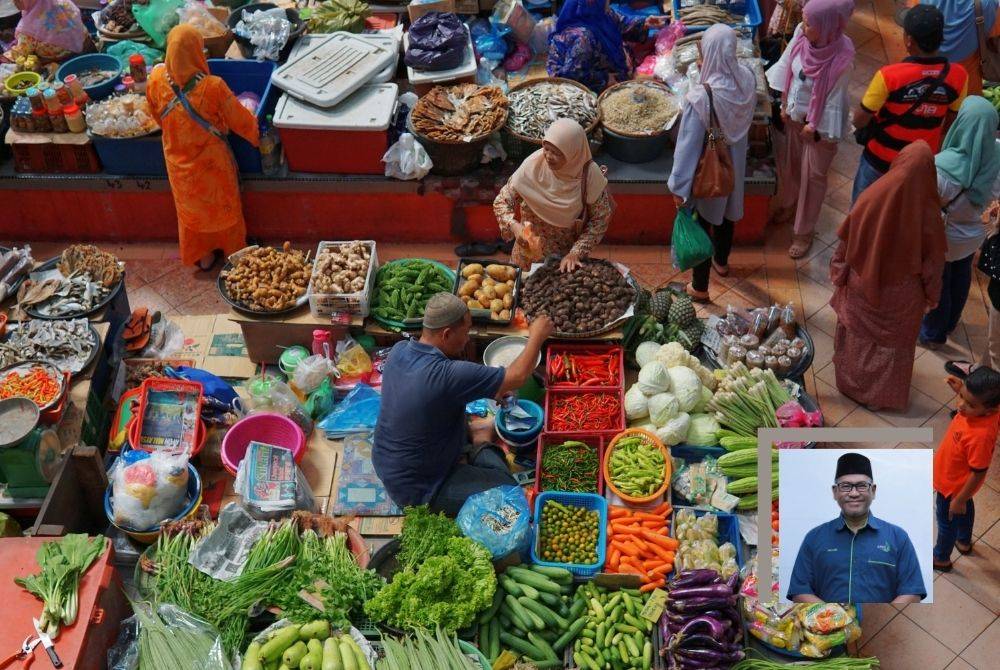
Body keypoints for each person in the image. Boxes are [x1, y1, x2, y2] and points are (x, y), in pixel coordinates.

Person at [373, 293, 554, 516]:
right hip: (418, 489)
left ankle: (473, 439)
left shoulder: (400, 350)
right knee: (510, 493)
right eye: (466, 331)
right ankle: (481, 442)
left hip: (388, 461)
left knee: (450, 413)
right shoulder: (448, 374)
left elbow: (435, 395)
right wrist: (536, 336)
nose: (468, 338)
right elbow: (516, 377)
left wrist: (488, 388)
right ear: (446, 334)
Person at [829, 141, 946, 411]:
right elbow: (933, 267)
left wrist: (840, 273)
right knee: (889, 349)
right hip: (901, 297)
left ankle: (850, 385)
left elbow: (846, 243)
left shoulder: (872, 196)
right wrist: (932, 297)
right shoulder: (928, 215)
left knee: (857, 338)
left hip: (862, 285)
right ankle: (878, 398)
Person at [146, 25, 260, 271]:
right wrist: (254, 128)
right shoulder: (213, 86)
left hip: (178, 165)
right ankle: (234, 252)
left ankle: (204, 256)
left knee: (191, 213)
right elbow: (242, 123)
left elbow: (157, 116)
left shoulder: (155, 79)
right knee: (224, 209)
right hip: (212, 165)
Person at [667, 24, 757, 302]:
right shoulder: (748, 80)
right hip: (734, 165)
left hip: (709, 170)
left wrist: (679, 186)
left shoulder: (701, 98)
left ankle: (700, 287)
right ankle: (722, 261)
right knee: (728, 213)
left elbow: (687, 146)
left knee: (703, 221)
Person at [851, 4, 969, 203]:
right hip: (917, 165)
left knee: (861, 215)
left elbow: (860, 120)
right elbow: (951, 123)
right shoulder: (959, 76)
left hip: (878, 162)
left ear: (909, 40)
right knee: (899, 217)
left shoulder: (889, 76)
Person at [766, 0, 854, 260]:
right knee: (791, 165)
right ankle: (789, 203)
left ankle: (804, 231)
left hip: (819, 130)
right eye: (804, 20)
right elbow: (786, 65)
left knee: (813, 179)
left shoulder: (843, 60)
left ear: (828, 26)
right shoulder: (801, 37)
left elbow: (836, 101)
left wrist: (814, 126)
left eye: (809, 23)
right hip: (794, 116)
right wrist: (784, 104)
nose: (803, 26)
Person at [787, 453, 927, 604]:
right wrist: (834, 618)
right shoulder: (814, 537)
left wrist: (881, 616)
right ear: (835, 492)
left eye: (861, 486)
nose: (854, 493)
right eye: (846, 486)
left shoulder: (898, 537)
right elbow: (799, 591)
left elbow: (912, 592)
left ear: (873, 490)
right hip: (826, 625)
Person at [919, 96, 1000, 350]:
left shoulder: (941, 167)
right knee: (961, 274)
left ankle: (933, 333)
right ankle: (952, 321)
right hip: (974, 234)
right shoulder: (997, 154)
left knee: (938, 280)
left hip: (945, 237)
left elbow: (924, 204)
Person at [495, 119, 615, 272]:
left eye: (557, 153)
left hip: (563, 260)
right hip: (525, 255)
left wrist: (575, 253)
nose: (549, 156)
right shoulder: (533, 165)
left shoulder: (589, 176)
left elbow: (600, 219)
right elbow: (502, 201)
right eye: (546, 149)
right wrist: (514, 226)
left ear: (574, 152)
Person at [933, 367, 1000, 570]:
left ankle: (941, 557)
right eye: (961, 397)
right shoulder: (986, 412)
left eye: (970, 404)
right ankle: (963, 541)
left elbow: (978, 471)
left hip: (952, 487)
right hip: (957, 485)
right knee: (964, 510)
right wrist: (962, 389)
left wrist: (959, 498)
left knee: (946, 523)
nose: (961, 406)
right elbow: (972, 402)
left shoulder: (980, 436)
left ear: (990, 410)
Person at [546, 0, 666, 93]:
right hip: (574, 75)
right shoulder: (582, 38)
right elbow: (571, 76)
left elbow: (621, 22)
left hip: (583, 60)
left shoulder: (600, 14)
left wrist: (646, 23)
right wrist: (604, 79)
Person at [908, 0, 1000, 96]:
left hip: (925, 86)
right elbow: (993, 34)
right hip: (967, 91)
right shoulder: (987, 3)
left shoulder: (919, 2)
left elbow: (911, 29)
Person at [2, 0, 91, 64]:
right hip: (82, 42)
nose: (14, 3)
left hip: (60, 57)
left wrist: (6, 56)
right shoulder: (64, 2)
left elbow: (21, 53)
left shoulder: (28, 28)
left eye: (17, 0)